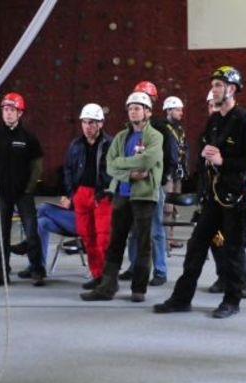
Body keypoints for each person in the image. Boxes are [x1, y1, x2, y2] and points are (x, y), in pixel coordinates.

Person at [154, 66, 246, 319]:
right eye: (213, 85)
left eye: (218, 85)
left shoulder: (245, 121)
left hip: (233, 197)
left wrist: (224, 161)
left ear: (231, 89)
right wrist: (205, 155)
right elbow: (205, 146)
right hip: (212, 197)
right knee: (196, 246)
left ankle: (232, 301)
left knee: (232, 250)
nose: (213, 90)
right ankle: (181, 299)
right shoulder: (214, 121)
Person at [80, 91, 163, 302]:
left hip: (144, 197)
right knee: (115, 243)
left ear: (147, 112)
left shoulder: (155, 137)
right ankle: (107, 288)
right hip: (121, 195)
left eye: (137, 108)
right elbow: (110, 165)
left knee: (143, 243)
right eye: (130, 108)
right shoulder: (120, 137)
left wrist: (121, 163)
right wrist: (128, 173)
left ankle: (139, 289)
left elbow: (147, 161)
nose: (133, 111)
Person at [0, 92, 46, 287]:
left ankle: (36, 270)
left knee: (31, 232)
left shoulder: (29, 137)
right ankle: (1, 272)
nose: (8, 113)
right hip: (2, 194)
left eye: (12, 110)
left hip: (23, 194)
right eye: (5, 110)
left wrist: (29, 188)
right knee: (2, 235)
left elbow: (37, 165)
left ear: (20, 113)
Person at [119, 81, 175, 286]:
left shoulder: (161, 129)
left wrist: (160, 178)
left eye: (145, 98)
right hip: (131, 186)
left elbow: (171, 156)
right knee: (134, 230)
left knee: (155, 229)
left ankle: (160, 270)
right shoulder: (129, 130)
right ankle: (134, 266)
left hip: (152, 186)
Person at [62, 103, 113, 289]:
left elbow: (116, 170)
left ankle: (109, 278)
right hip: (82, 195)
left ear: (100, 123)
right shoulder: (75, 145)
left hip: (102, 195)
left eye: (91, 122)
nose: (87, 126)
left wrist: (108, 191)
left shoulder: (110, 144)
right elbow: (68, 169)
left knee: (104, 238)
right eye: (84, 122)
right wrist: (72, 194)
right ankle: (97, 275)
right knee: (88, 238)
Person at [162, 96, 190, 249]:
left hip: (177, 173)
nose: (181, 113)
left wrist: (185, 168)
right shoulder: (162, 128)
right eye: (178, 110)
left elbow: (184, 148)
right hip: (167, 173)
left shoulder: (179, 129)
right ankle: (164, 240)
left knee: (173, 206)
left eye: (181, 110)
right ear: (168, 110)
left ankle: (170, 237)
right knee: (167, 207)